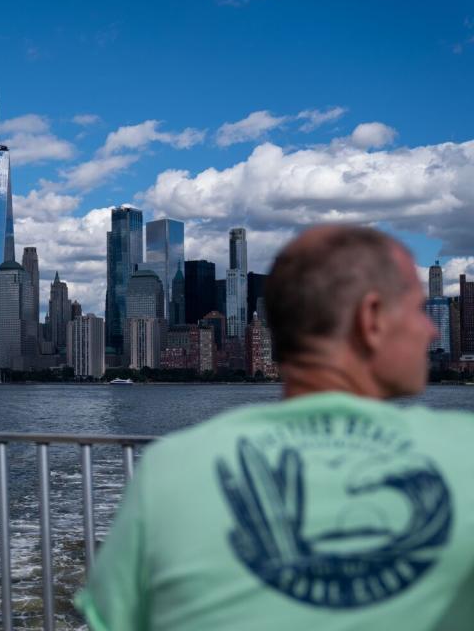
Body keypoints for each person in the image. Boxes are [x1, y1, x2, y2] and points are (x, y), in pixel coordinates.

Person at [77, 225, 474, 630]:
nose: (433, 330)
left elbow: (112, 622)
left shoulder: (168, 468)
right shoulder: (467, 456)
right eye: (416, 310)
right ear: (370, 319)